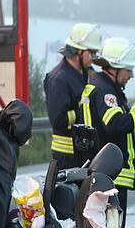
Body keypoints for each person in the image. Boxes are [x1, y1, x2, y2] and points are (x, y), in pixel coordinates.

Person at [78, 37, 135, 228]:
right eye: (128, 70)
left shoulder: (101, 86)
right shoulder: (106, 91)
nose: (132, 75)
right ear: (115, 68)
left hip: (103, 172)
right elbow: (115, 124)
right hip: (110, 175)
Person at [43, 23, 102, 171]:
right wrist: (83, 109)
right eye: (92, 53)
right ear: (79, 52)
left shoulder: (87, 73)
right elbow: (58, 120)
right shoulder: (58, 79)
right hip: (66, 157)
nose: (94, 58)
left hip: (84, 151)